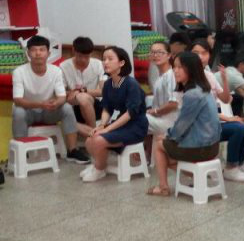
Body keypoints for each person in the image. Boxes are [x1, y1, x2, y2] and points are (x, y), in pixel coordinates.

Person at [147, 51, 222, 196]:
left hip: (202, 147)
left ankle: (163, 187)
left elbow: (182, 126)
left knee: (159, 146)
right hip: (212, 145)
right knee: (167, 152)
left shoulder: (192, 94)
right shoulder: (203, 89)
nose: (175, 71)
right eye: (174, 67)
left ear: (191, 69)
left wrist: (168, 136)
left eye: (180, 67)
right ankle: (198, 177)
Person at [11, 35, 88, 163]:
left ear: (48, 53)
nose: (38, 53)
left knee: (67, 108)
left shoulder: (56, 71)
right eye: (34, 50)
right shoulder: (19, 72)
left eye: (42, 50)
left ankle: (72, 150)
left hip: (49, 111)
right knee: (18, 111)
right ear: (28, 53)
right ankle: (22, 152)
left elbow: (62, 96)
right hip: (28, 111)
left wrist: (56, 103)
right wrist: (41, 104)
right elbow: (17, 100)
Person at [190, 39, 244, 181]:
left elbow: (226, 99)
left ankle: (239, 164)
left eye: (204, 53)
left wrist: (224, 79)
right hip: (199, 128)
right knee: (238, 128)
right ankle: (231, 168)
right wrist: (228, 118)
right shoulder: (188, 78)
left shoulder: (209, 75)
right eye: (196, 53)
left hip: (214, 124)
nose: (200, 57)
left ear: (209, 55)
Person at [82, 46, 148, 182]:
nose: (105, 62)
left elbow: (130, 114)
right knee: (89, 140)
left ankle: (99, 169)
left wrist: (107, 129)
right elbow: (107, 108)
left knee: (98, 140)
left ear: (121, 63)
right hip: (121, 123)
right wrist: (102, 125)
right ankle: (98, 166)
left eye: (110, 59)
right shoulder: (108, 84)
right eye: (104, 59)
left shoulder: (131, 84)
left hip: (136, 126)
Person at [60, 36, 104, 138]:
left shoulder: (98, 64)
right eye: (80, 56)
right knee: (66, 117)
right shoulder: (64, 66)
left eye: (87, 57)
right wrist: (73, 93)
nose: (83, 60)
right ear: (73, 50)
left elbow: (103, 91)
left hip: (95, 105)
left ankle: (93, 135)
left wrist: (81, 91)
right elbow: (61, 92)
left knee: (82, 97)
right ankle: (94, 135)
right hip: (73, 105)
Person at [146, 41, 180, 145]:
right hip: (160, 119)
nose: (156, 55)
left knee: (135, 119)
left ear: (169, 55)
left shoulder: (171, 75)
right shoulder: (160, 76)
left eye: (160, 52)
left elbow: (173, 104)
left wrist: (155, 111)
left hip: (170, 122)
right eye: (153, 52)